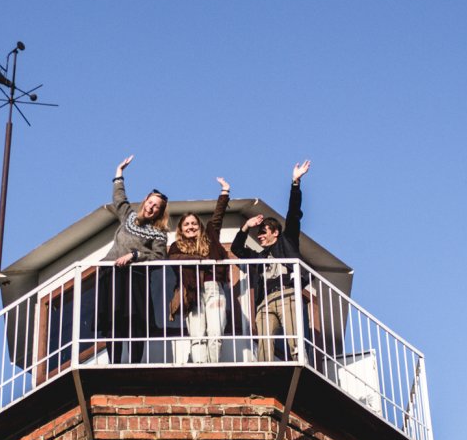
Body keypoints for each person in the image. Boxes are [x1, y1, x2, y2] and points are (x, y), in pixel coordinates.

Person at [230, 159, 311, 362]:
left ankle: (300, 366)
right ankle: (264, 374)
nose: (260, 236)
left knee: (295, 340)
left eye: (264, 231)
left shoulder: (286, 241)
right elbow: (236, 249)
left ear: (275, 232)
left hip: (287, 295)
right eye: (258, 233)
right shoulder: (258, 257)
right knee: (264, 346)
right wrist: (246, 226)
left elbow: (293, 214)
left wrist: (295, 183)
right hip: (264, 302)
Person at [97, 154, 168, 363]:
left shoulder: (158, 233)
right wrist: (119, 173)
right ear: (145, 200)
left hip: (135, 277)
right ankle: (114, 362)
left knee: (135, 320)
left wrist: (134, 255)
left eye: (156, 206)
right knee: (113, 318)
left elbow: (159, 257)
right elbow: (119, 199)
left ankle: (135, 363)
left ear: (159, 212)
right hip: (111, 273)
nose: (151, 207)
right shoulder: (128, 216)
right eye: (150, 202)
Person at [167, 177, 231, 363]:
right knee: (197, 336)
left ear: (199, 226)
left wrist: (224, 192)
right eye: (186, 224)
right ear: (181, 229)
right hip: (192, 292)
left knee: (216, 332)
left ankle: (213, 366)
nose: (191, 227)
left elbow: (217, 217)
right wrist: (201, 260)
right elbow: (174, 259)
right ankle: (201, 367)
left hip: (213, 289)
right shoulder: (176, 246)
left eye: (194, 223)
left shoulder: (209, 238)